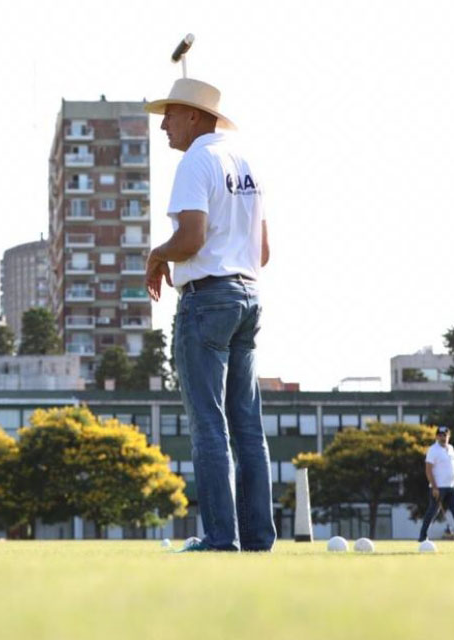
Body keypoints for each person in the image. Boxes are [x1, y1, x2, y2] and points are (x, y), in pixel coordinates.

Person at [144, 78, 274, 552]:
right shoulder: (247, 162)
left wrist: (156, 256)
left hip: (208, 299)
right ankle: (258, 538)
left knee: (208, 423)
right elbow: (262, 251)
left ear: (195, 116)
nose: (163, 125)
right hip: (248, 296)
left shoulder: (197, 160)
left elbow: (191, 238)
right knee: (247, 424)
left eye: (171, 114)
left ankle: (221, 538)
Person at [419, 426, 454, 543]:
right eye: (440, 435)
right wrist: (434, 487)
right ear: (436, 436)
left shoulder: (451, 448)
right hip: (438, 487)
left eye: (445, 435)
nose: (443, 437)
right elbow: (428, 470)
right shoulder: (433, 450)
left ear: (448, 436)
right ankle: (422, 536)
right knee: (432, 512)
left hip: (452, 487)